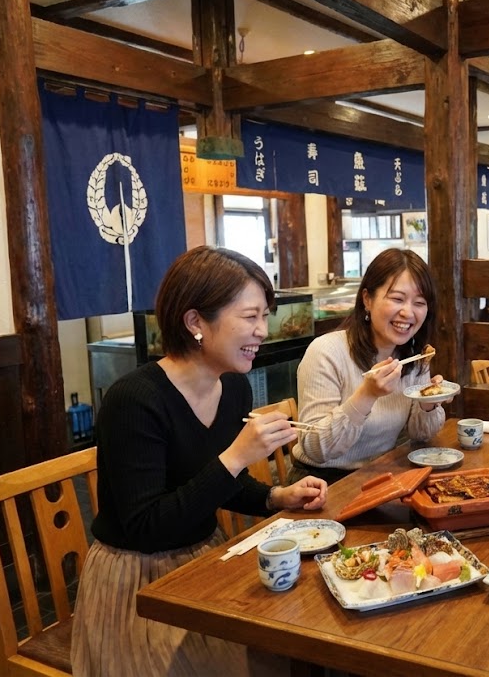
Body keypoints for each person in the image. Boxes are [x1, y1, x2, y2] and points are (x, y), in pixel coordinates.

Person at [71, 246, 328, 676]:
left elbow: (214, 479)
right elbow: (147, 524)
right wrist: (237, 456)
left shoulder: (234, 389)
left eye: (265, 316)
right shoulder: (135, 400)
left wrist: (278, 496)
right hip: (137, 579)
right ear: (195, 323)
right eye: (250, 317)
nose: (263, 330)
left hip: (204, 560)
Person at [290, 248, 447, 483]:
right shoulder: (326, 352)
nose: (408, 312)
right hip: (321, 483)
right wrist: (367, 394)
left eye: (419, 302)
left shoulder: (415, 357)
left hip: (378, 475)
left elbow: (421, 434)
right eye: (397, 299)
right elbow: (316, 448)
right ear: (367, 299)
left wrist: (429, 403)